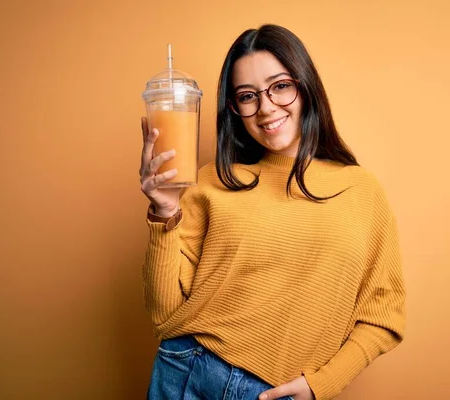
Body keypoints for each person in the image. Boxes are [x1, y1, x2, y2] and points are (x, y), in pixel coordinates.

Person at [139, 24, 406, 400]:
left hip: (275, 393)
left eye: (280, 86)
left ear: (305, 86)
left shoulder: (362, 192)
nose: (265, 108)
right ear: (234, 108)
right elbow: (163, 316)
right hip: (187, 373)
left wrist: (322, 384)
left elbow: (385, 316)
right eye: (247, 96)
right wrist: (164, 211)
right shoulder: (211, 182)